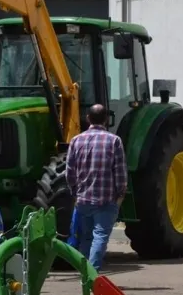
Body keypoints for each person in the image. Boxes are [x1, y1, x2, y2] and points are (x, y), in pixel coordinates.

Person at [66, 104, 127, 272]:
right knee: (100, 237)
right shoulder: (114, 141)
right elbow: (120, 172)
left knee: (85, 238)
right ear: (106, 120)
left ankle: (85, 275)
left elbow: (69, 173)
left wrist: (75, 193)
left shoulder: (76, 141)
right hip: (106, 200)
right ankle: (92, 276)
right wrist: (120, 194)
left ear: (88, 118)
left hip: (83, 200)